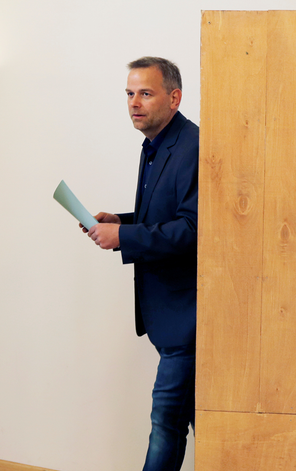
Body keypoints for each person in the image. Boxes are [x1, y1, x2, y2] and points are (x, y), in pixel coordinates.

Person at [82, 56, 198, 471]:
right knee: (193, 419)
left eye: (145, 93)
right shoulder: (154, 146)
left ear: (174, 98)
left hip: (188, 317)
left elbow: (193, 229)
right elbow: (165, 216)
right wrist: (122, 223)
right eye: (130, 94)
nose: (134, 103)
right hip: (168, 316)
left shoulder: (193, 147)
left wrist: (125, 238)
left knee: (165, 422)